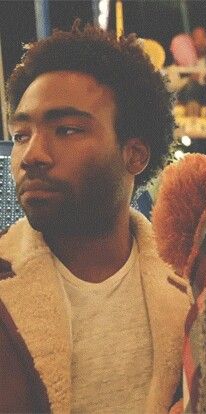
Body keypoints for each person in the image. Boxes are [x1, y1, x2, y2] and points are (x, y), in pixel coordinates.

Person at [0, 22, 189, 413]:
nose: (32, 155)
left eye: (66, 130)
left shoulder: (190, 287)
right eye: (21, 135)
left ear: (134, 155)